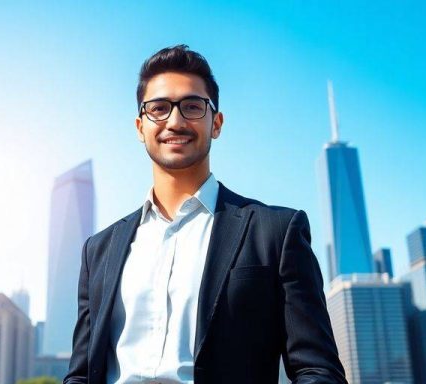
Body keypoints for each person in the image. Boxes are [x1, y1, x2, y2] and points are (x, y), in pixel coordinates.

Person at [64, 45, 346, 384]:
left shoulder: (276, 232)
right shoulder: (99, 250)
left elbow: (317, 371)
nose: (175, 121)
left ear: (217, 123)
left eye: (193, 107)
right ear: (140, 127)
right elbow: (79, 375)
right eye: (159, 108)